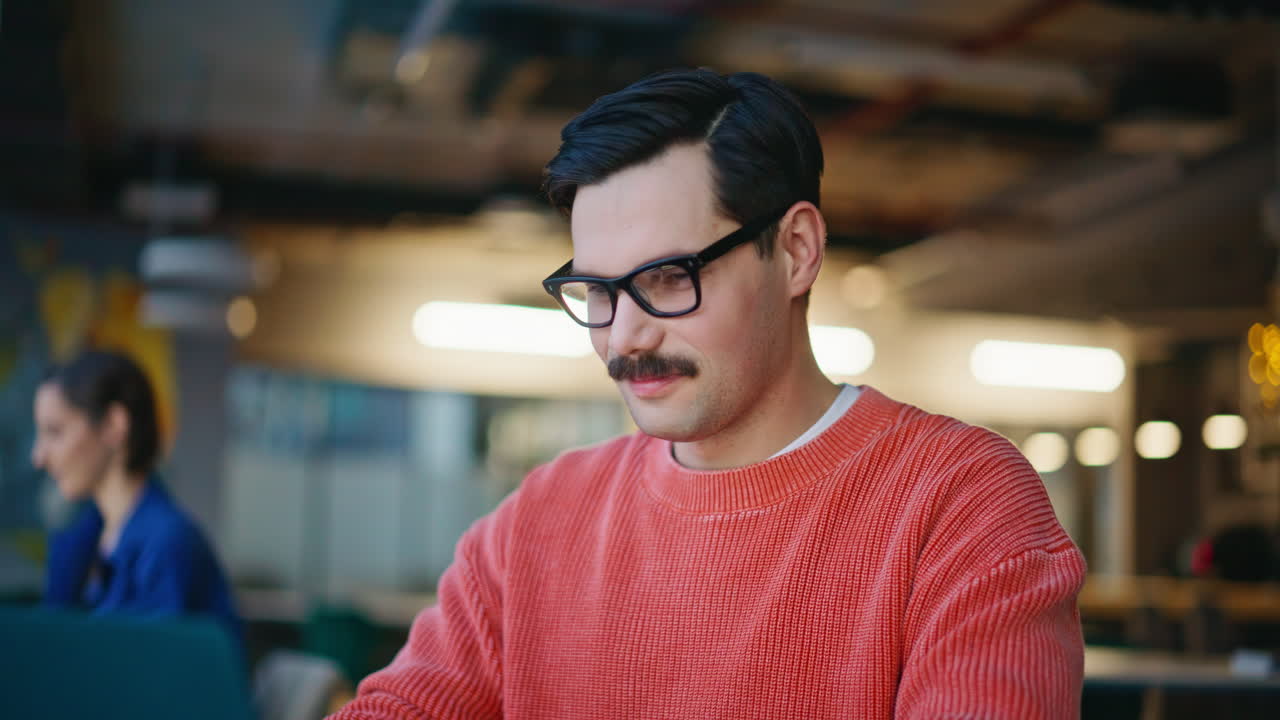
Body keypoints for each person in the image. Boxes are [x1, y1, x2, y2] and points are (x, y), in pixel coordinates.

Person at [332, 68, 1085, 719]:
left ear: (795, 252)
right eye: (597, 290)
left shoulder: (959, 502)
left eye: (667, 279)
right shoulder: (538, 521)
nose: (625, 337)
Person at [31, 349, 241, 645]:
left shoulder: (167, 544)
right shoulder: (82, 537)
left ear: (114, 425)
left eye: (55, 432)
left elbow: (145, 682)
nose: (38, 457)